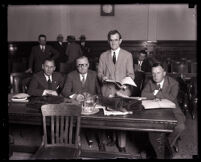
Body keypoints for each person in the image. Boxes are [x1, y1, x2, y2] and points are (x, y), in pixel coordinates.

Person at [97, 29, 135, 153]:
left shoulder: (127, 55)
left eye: (116, 40)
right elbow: (99, 73)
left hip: (122, 90)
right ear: (108, 41)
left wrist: (126, 83)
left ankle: (121, 144)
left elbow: (131, 74)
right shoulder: (103, 55)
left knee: (121, 118)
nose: (113, 42)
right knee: (103, 118)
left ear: (120, 41)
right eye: (111, 40)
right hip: (107, 89)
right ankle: (102, 142)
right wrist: (103, 78)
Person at [141, 62, 186, 158]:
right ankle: (159, 147)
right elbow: (143, 94)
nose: (155, 76)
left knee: (180, 126)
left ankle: (165, 145)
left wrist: (156, 93)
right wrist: (156, 94)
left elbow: (172, 97)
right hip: (155, 111)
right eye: (153, 73)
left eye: (158, 73)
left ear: (164, 73)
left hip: (173, 111)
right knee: (151, 126)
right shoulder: (150, 82)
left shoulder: (173, 83)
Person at [61, 56, 102, 150]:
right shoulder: (71, 75)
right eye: (80, 65)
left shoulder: (94, 74)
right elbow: (65, 91)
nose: (83, 67)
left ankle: (94, 137)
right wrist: (75, 96)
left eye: (85, 65)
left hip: (91, 105)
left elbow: (99, 92)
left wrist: (92, 96)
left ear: (88, 65)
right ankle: (74, 139)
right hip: (76, 105)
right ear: (76, 66)